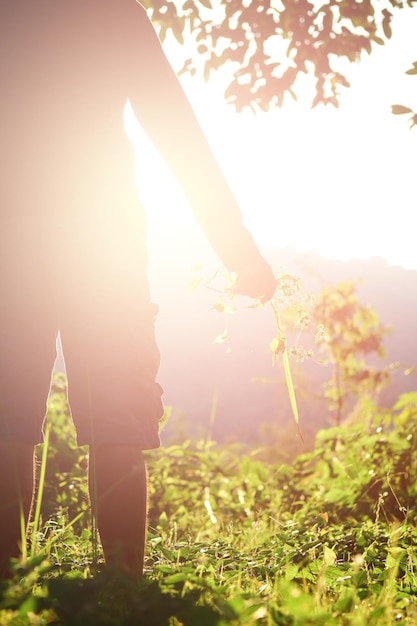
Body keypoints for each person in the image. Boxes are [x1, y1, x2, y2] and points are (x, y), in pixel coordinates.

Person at [0, 0, 276, 579]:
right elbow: (178, 133)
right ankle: (128, 593)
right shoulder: (111, 13)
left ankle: (8, 590)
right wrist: (236, 247)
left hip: (14, 240)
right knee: (118, 417)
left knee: (6, 421)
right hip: (106, 242)